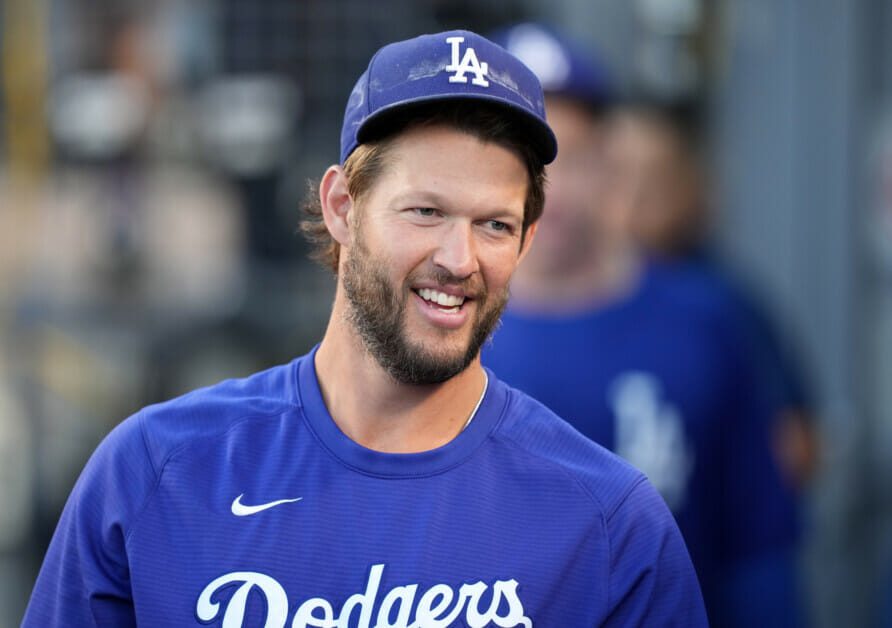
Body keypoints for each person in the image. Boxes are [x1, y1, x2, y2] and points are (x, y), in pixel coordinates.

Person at [23, 30, 706, 627]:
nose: (459, 259)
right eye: (426, 211)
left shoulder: (609, 527)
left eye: (494, 224)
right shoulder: (158, 474)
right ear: (342, 207)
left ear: (526, 240)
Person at [484, 23, 803, 627]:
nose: (541, 189)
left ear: (610, 163)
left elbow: (759, 550)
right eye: (507, 161)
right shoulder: (436, 342)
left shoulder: (703, 320)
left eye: (565, 158)